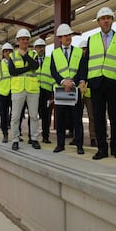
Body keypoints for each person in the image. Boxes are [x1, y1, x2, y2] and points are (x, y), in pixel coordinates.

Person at [85, 7, 116, 160]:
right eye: (103, 18)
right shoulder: (92, 39)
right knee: (98, 117)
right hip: (96, 83)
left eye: (108, 18)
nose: (106, 21)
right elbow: (86, 61)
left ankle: (115, 147)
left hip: (114, 83)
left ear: (112, 20)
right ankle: (102, 148)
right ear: (98, 22)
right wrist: (84, 80)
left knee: (115, 117)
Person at [51, 23, 86, 155]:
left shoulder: (78, 51)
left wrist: (72, 82)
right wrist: (63, 81)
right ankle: (60, 144)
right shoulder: (55, 53)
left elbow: (82, 70)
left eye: (69, 35)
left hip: (74, 90)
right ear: (60, 38)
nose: (68, 37)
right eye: (65, 36)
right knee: (60, 120)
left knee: (77, 119)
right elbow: (53, 71)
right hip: (61, 90)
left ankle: (79, 145)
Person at [8, 28, 41, 151]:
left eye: (27, 40)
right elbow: (13, 72)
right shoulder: (12, 55)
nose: (25, 42)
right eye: (22, 39)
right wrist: (28, 68)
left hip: (32, 89)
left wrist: (25, 56)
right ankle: (15, 140)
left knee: (34, 116)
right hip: (18, 89)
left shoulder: (33, 54)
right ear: (17, 41)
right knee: (15, 117)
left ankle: (34, 139)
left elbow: (36, 66)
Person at [34, 38, 55, 143]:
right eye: (39, 47)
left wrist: (52, 92)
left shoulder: (50, 60)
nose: (41, 49)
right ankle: (32, 136)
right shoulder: (31, 61)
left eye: (42, 47)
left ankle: (45, 136)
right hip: (34, 91)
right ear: (35, 49)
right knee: (33, 115)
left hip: (46, 91)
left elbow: (53, 75)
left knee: (46, 115)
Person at [0, 42, 13, 143]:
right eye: (5, 51)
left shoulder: (16, 63)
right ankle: (5, 134)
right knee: (4, 115)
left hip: (14, 92)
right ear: (3, 53)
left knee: (15, 115)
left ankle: (16, 134)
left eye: (9, 51)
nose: (7, 53)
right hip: (3, 94)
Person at [79, 40, 97, 147]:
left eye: (85, 49)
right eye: (82, 49)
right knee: (77, 116)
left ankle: (93, 138)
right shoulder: (78, 60)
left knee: (92, 117)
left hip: (89, 93)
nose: (84, 51)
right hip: (80, 92)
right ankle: (78, 137)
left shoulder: (92, 60)